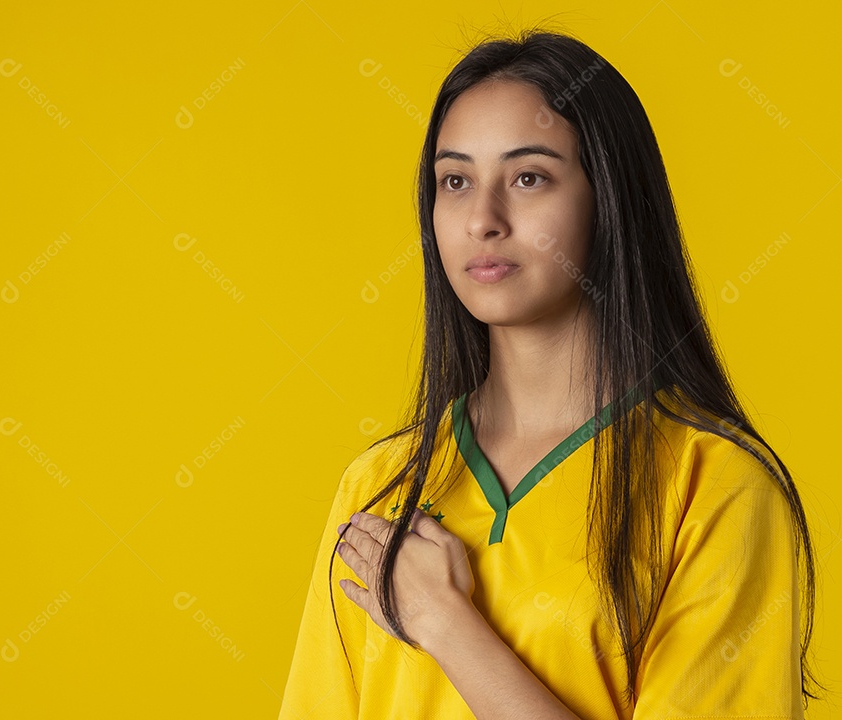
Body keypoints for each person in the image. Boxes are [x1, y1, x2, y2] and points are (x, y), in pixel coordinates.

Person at [277, 27, 822, 720]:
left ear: (610, 200)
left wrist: (447, 624)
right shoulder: (379, 485)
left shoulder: (715, 486)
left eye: (528, 177)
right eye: (455, 181)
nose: (483, 219)